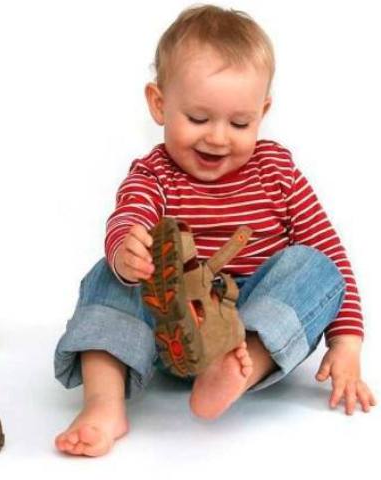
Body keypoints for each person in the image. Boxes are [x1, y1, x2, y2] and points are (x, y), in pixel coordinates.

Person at [53, 4, 375, 458]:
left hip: (245, 325)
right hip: (168, 325)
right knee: (110, 273)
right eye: (198, 119)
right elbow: (130, 215)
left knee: (317, 267)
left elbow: (330, 254)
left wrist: (347, 343)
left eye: (240, 123)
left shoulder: (277, 172)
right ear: (159, 104)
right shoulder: (154, 174)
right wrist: (127, 250)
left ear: (262, 112)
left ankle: (240, 368)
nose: (218, 137)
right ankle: (104, 405)